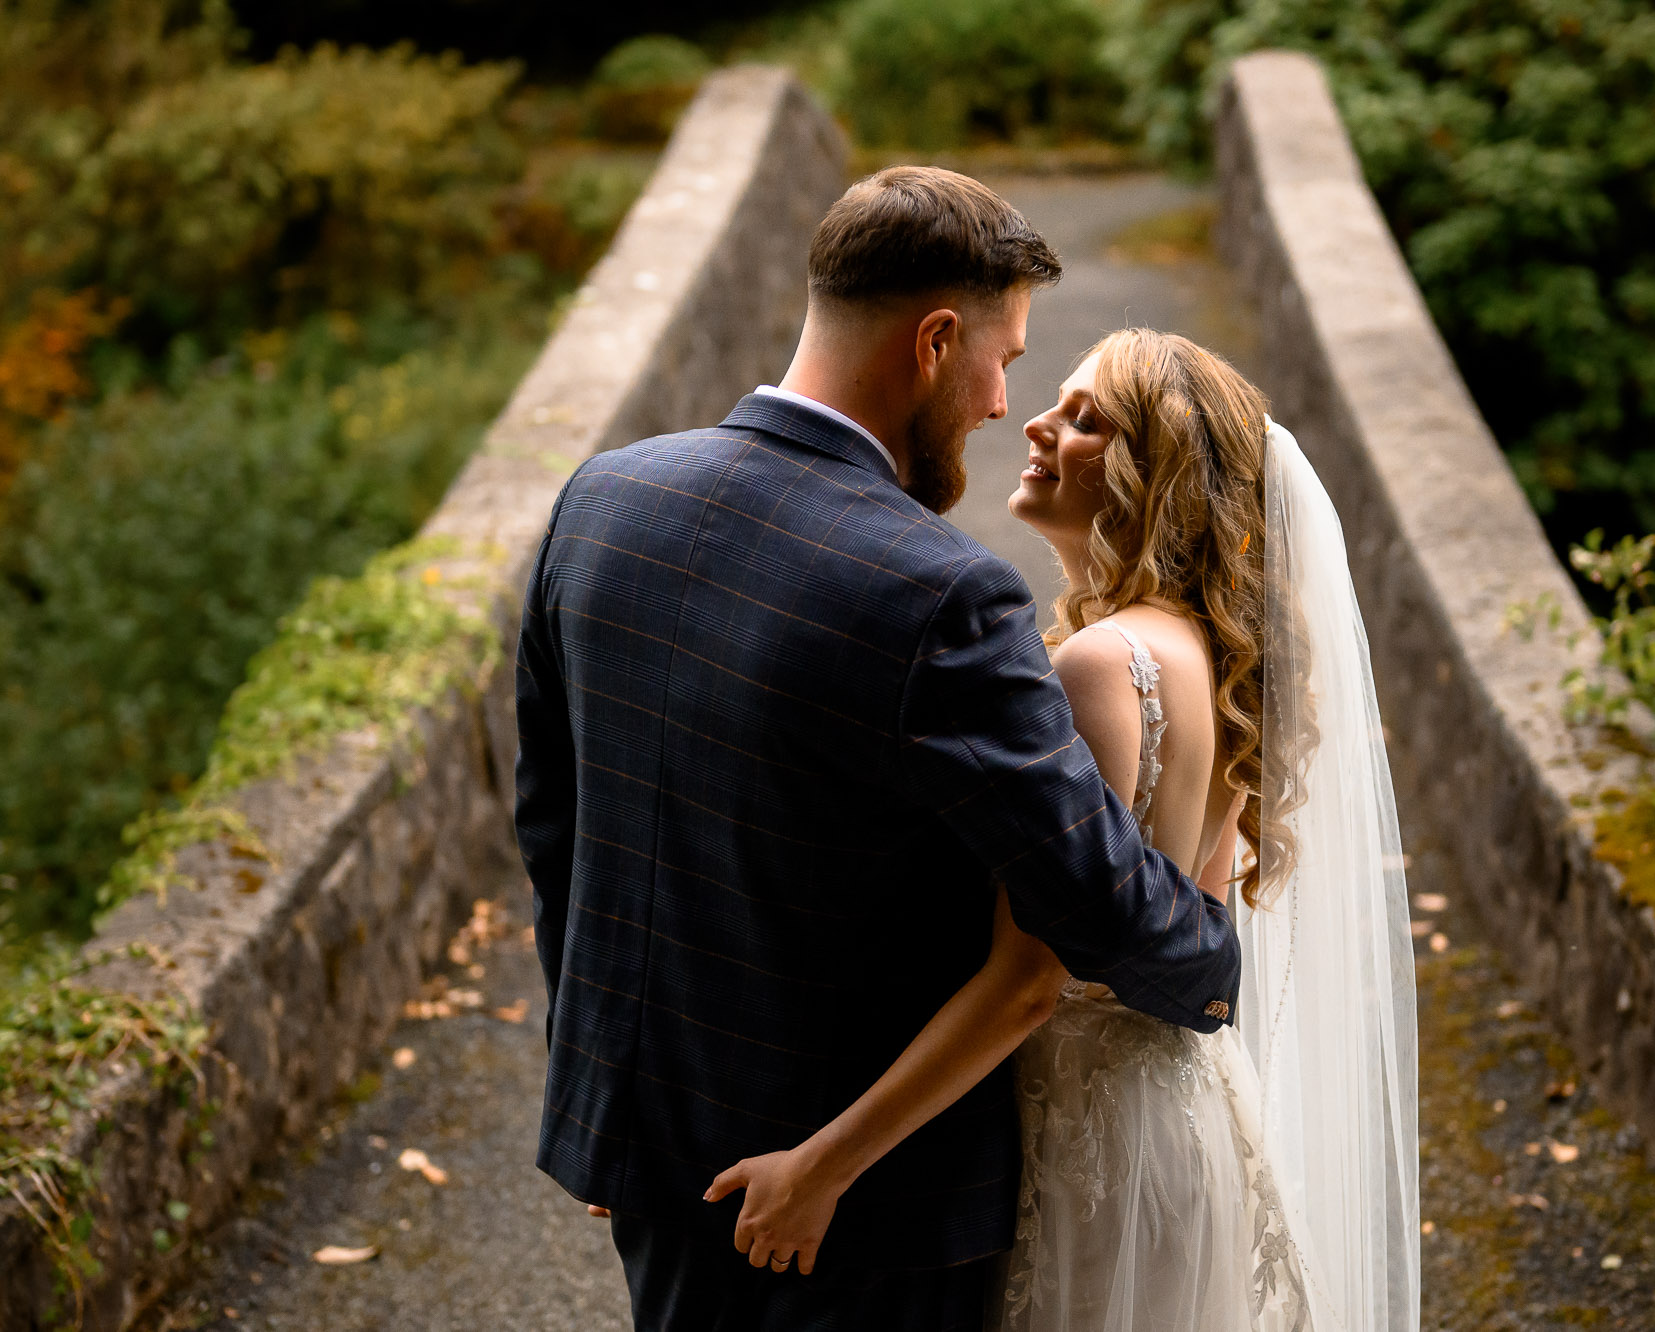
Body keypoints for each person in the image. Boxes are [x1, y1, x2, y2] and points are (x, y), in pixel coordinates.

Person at [513, 170, 1241, 1332]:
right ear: (935, 339)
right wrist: (1218, 956)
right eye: (1001, 359)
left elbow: (556, 827)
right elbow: (1089, 906)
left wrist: (603, 1095)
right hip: (855, 1212)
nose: (1003, 406)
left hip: (654, 1150)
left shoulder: (605, 501)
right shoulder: (939, 592)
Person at [709, 330, 1422, 1331]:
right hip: (1181, 1117)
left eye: (1087, 419)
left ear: (1153, 476)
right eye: (1057, 401)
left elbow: (1026, 981)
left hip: (1087, 1141)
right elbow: (1191, 920)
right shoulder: (1201, 652)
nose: (1037, 425)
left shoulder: (1102, 665)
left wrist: (821, 1167)